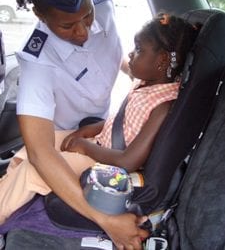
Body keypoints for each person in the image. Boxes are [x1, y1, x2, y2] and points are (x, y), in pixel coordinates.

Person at [0, 13, 200, 241]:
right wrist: (92, 129)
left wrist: (85, 147)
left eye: (139, 49)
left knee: (32, 170)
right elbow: (123, 122)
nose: (131, 54)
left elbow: (128, 160)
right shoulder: (146, 85)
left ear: (162, 60)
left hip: (110, 167)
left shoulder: (163, 106)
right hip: (101, 144)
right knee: (35, 147)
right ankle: (8, 192)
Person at [2, 0, 147, 249]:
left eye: (87, 16)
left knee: (27, 173)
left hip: (102, 131)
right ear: (40, 15)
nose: (82, 31)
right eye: (67, 26)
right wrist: (105, 220)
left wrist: (138, 78)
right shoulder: (37, 57)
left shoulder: (104, 6)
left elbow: (111, 51)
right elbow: (41, 150)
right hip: (63, 135)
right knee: (23, 164)